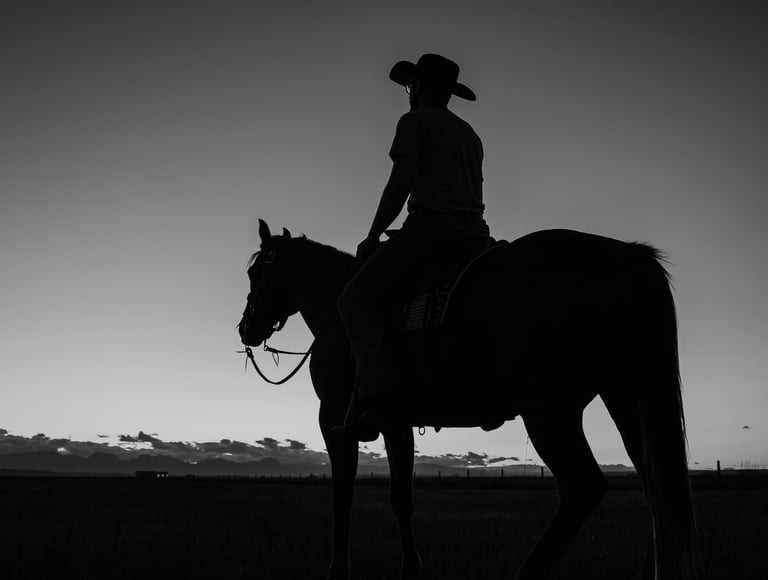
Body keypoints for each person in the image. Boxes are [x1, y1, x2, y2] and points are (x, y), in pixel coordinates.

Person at [336, 54, 491, 440]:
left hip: (431, 234)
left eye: (410, 85)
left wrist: (372, 235)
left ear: (418, 86)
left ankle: (377, 398)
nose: (409, 93)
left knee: (352, 302)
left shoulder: (414, 121)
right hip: (476, 238)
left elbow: (400, 182)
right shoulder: (469, 133)